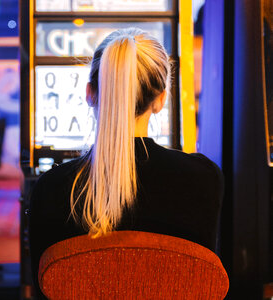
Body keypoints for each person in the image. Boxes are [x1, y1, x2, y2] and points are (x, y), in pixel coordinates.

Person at [29, 28, 224, 299]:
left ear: (90, 93)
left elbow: (43, 290)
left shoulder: (51, 188)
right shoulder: (204, 178)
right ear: (160, 100)